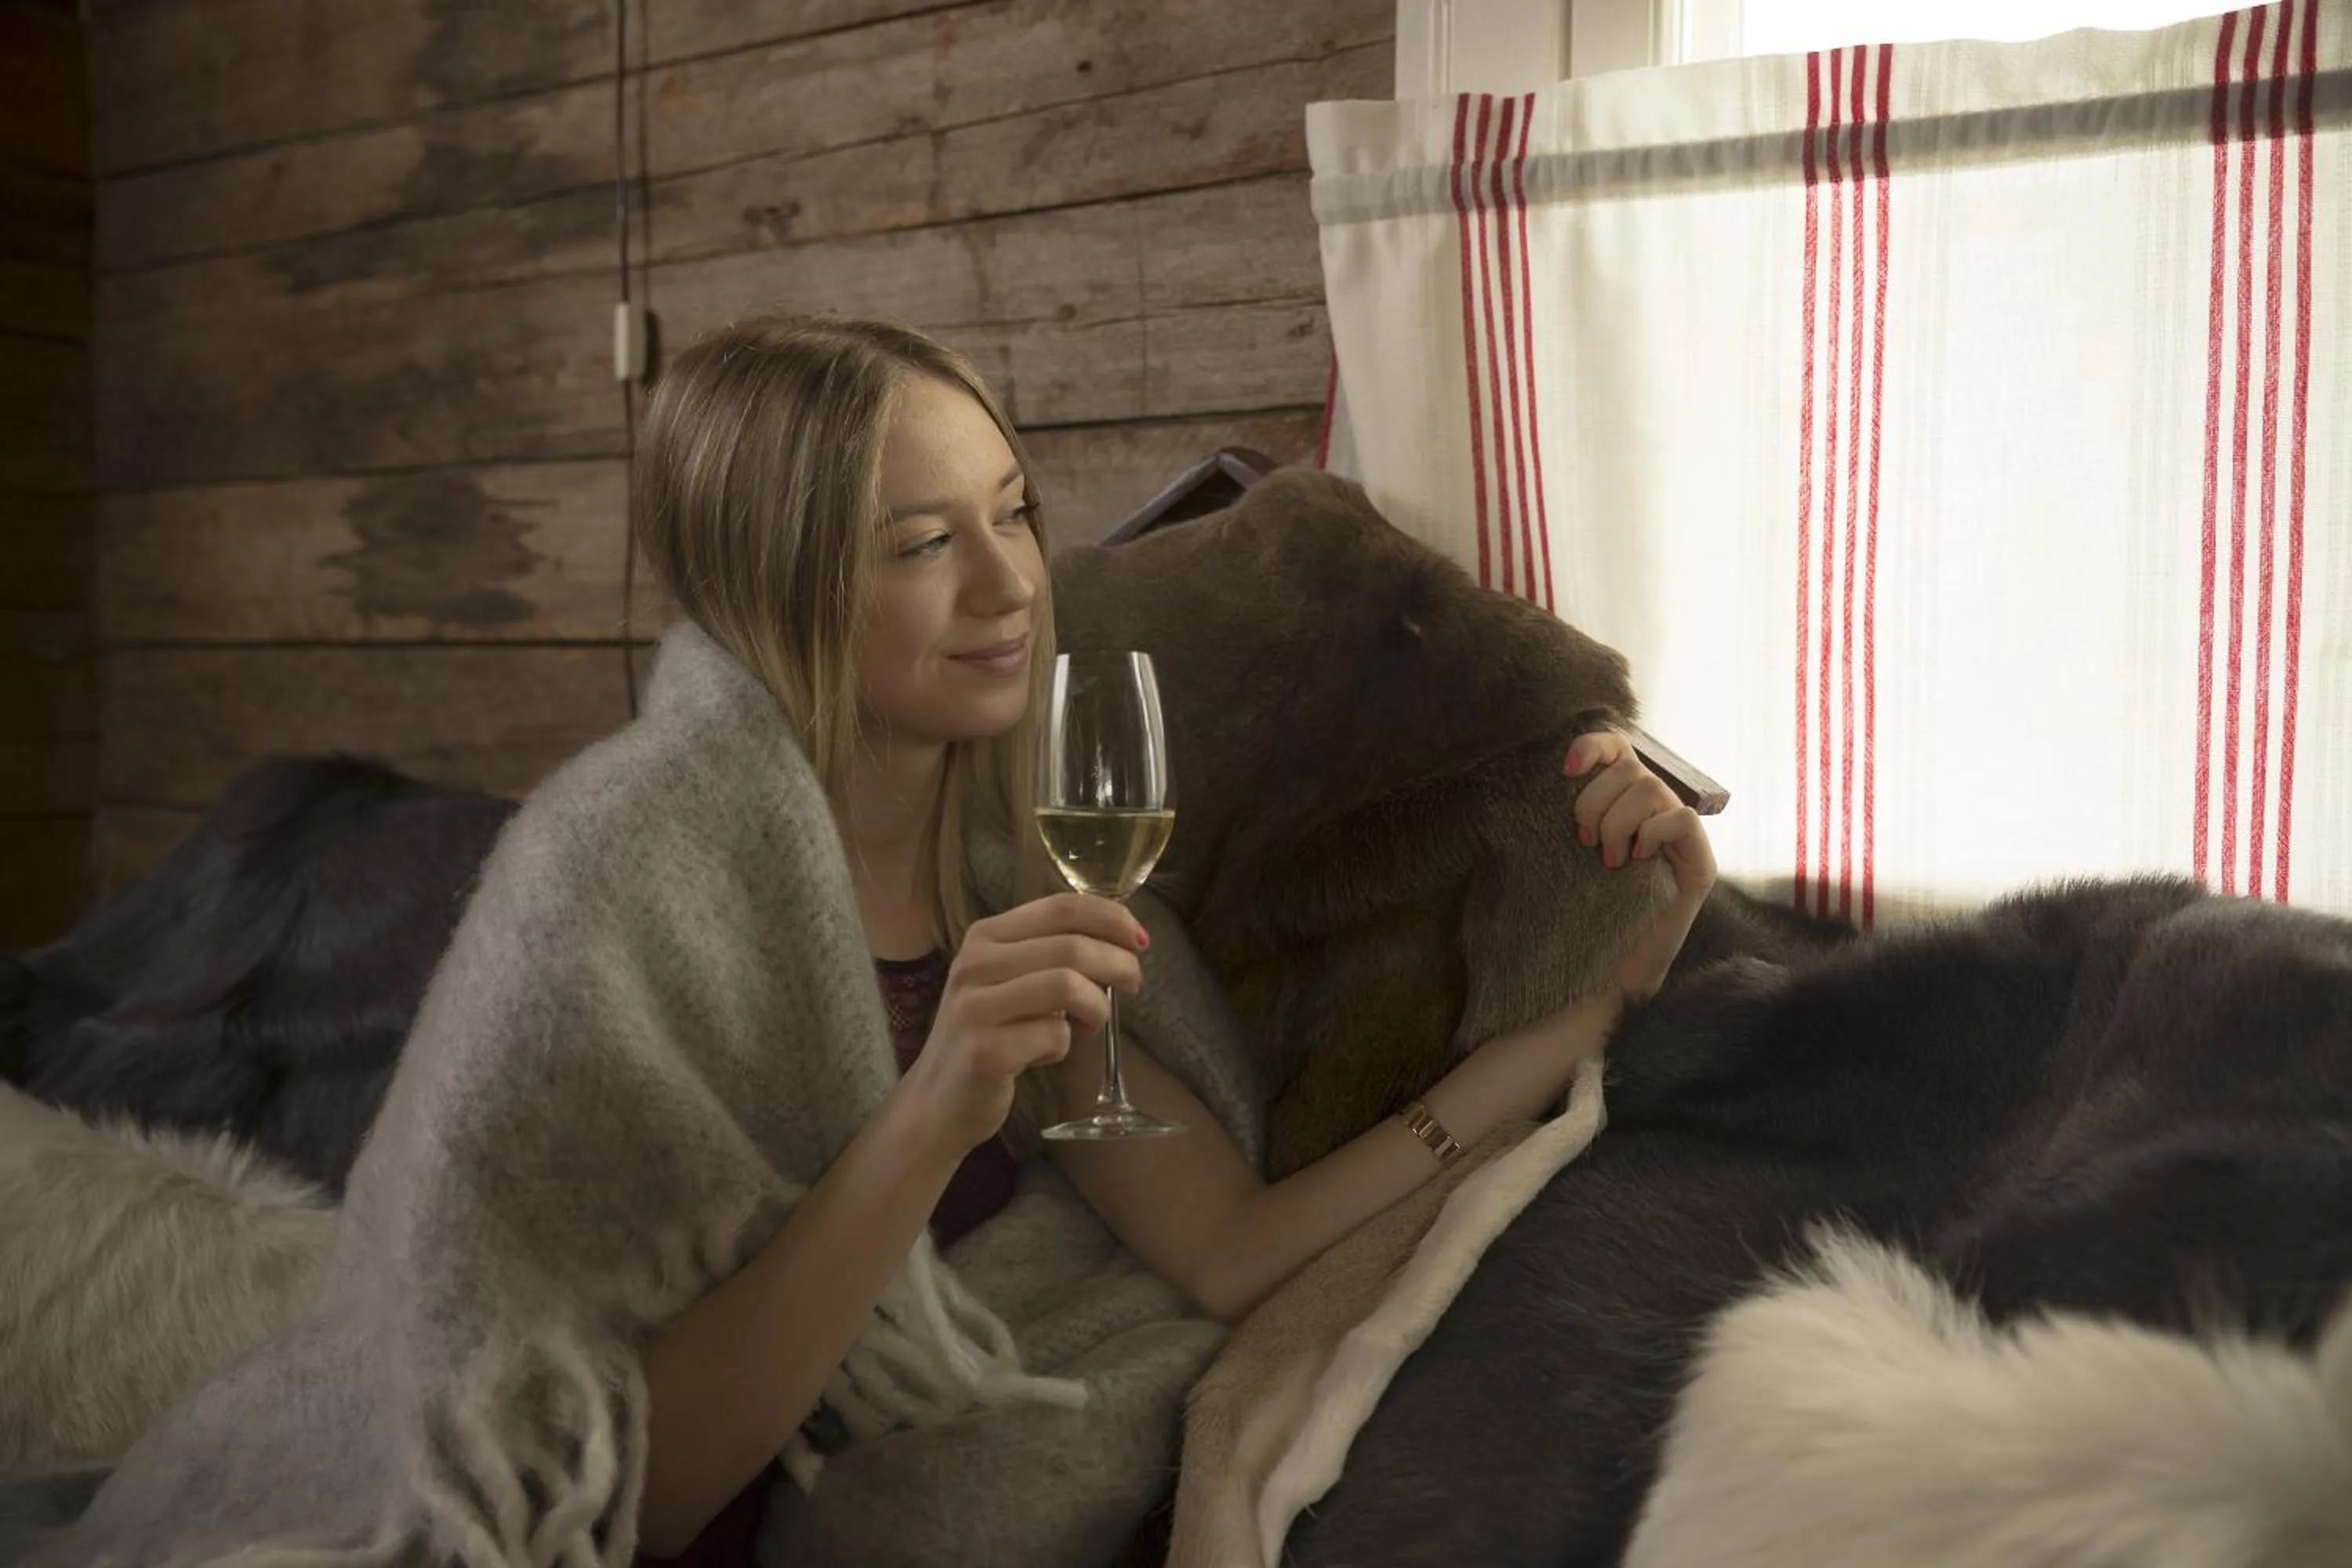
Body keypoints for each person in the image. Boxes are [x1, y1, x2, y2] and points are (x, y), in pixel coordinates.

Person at [623, 313, 1719, 1562]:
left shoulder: (984, 872)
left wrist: (1601, 998)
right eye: (928, 543)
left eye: (1015, 511)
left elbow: (1228, 1252)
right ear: (774, 596)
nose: (1014, 584)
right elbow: (635, 1500)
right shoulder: (668, 931)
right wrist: (932, 1116)